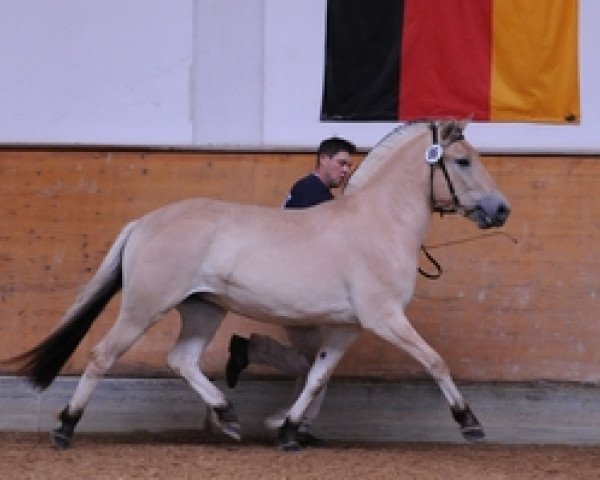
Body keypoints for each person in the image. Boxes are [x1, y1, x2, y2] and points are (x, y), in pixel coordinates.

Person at [225, 136, 356, 449]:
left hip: (300, 287)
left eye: (349, 165)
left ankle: (292, 415)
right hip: (298, 290)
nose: (346, 170)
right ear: (322, 159)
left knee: (315, 363)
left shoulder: (311, 190)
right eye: (341, 163)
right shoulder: (313, 192)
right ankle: (292, 420)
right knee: (317, 365)